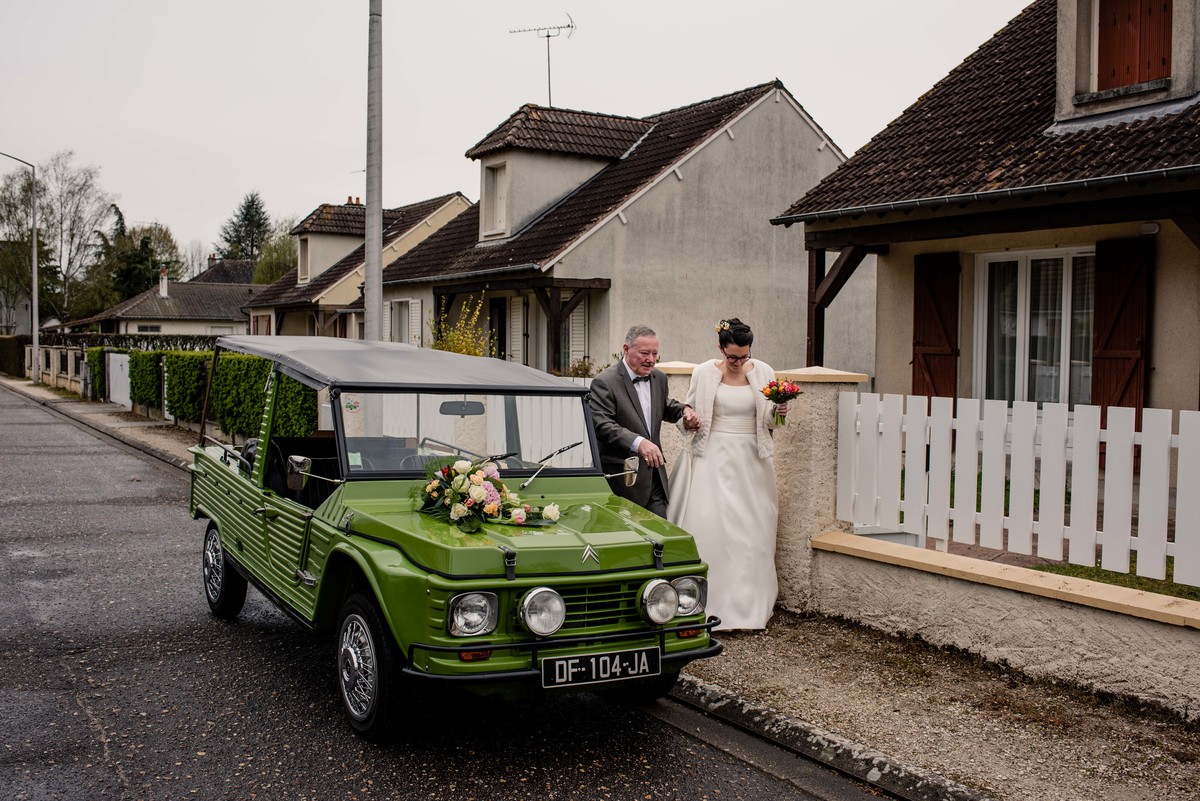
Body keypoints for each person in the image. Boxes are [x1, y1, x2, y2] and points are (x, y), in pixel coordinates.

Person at [667, 318, 787, 631]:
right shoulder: (704, 372)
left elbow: (771, 423)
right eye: (733, 356)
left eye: (744, 356)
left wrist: (780, 411)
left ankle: (748, 607)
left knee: (752, 530)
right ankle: (705, 602)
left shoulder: (763, 372)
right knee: (712, 525)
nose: (738, 362)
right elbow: (687, 413)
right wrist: (690, 419)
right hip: (712, 457)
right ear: (721, 348)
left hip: (751, 459)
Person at [590, 324, 701, 517]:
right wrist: (638, 442)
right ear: (626, 349)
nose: (651, 360)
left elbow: (663, 406)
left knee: (660, 538)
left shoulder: (658, 378)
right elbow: (602, 425)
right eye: (644, 353)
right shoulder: (604, 382)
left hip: (655, 479)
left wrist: (684, 411)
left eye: (655, 354)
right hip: (621, 482)